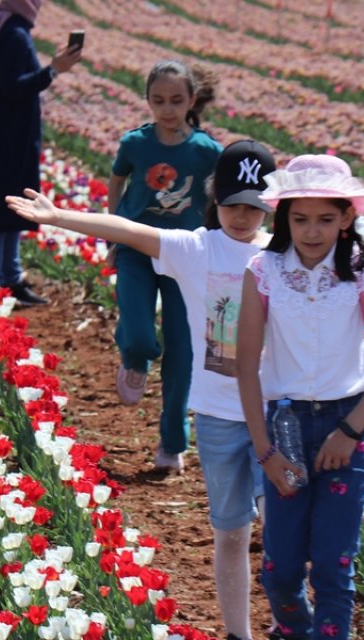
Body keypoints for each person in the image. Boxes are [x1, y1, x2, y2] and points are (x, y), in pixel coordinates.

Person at [7, 139, 277, 640]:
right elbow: (129, 230)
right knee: (231, 532)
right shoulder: (198, 249)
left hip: (275, 414)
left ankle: (285, 625)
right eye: (233, 204)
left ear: (270, 206)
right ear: (215, 198)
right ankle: (238, 633)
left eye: (253, 207)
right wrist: (59, 217)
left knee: (279, 530)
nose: (242, 217)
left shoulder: (280, 255)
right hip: (217, 415)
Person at [235, 154, 364, 640]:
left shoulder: (363, 269)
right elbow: (246, 365)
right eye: (300, 219)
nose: (312, 231)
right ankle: (295, 629)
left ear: (347, 217)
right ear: (284, 218)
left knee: (334, 566)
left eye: (326, 219)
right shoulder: (264, 270)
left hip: (346, 425)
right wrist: (265, 451)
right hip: (286, 428)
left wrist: (350, 431)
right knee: (281, 570)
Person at [107, 59, 221, 473]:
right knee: (139, 335)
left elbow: (221, 198)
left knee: (183, 351)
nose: (167, 109)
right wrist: (114, 231)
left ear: (192, 100)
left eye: (176, 100)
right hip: (137, 248)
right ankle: (135, 360)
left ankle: (172, 443)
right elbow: (117, 180)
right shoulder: (135, 143)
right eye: (158, 101)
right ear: (148, 101)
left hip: (186, 255)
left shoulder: (207, 151)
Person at [0, 0, 81, 307]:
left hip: (1, 134)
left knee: (12, 208)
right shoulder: (13, 33)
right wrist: (53, 70)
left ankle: (10, 279)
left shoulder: (1, 24)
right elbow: (13, 88)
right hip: (4, 137)